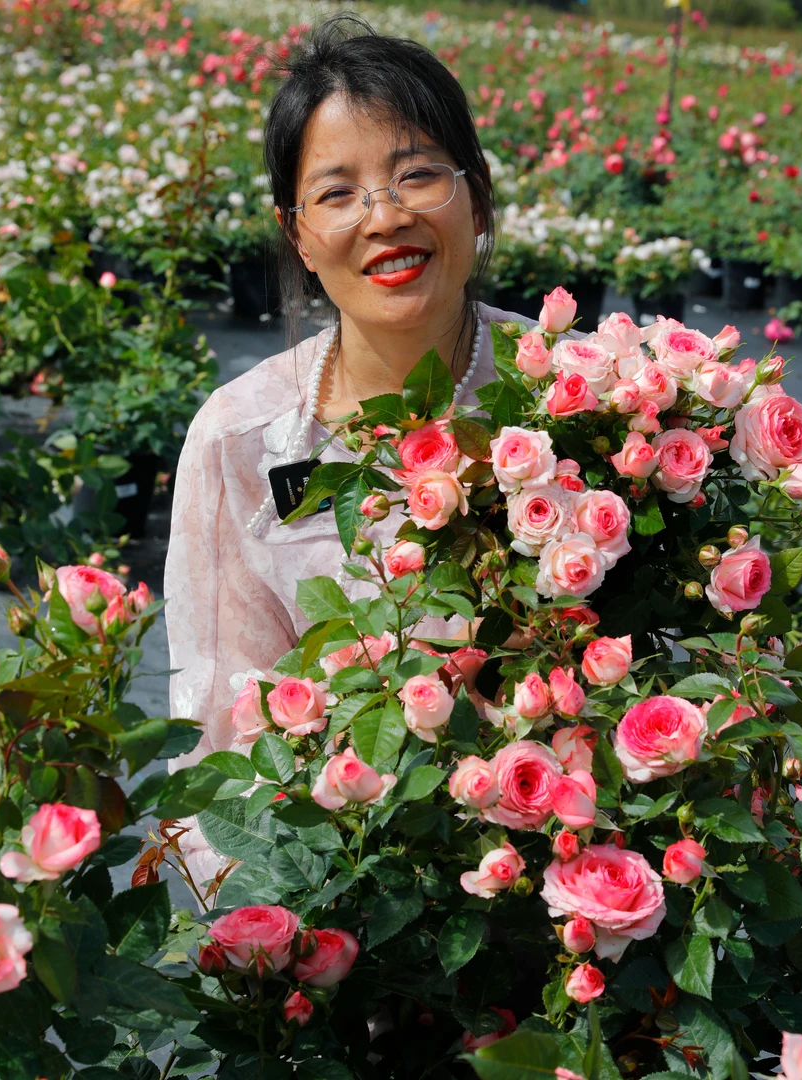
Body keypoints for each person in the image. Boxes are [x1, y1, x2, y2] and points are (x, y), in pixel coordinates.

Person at [165, 14, 532, 765]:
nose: (387, 217)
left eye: (418, 174)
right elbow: (226, 734)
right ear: (296, 233)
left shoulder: (589, 394)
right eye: (338, 194)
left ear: (478, 195)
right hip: (345, 859)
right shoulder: (243, 439)